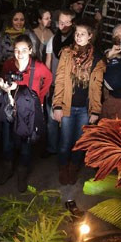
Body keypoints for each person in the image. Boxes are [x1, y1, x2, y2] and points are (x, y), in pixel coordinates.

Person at [0, 35, 52, 191]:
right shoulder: (9, 65)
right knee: (7, 142)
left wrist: (40, 99)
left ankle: (22, 174)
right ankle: (7, 169)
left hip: (29, 112)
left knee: (25, 144)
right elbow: (3, 80)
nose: (19, 53)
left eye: (23, 50)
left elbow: (48, 79)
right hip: (11, 108)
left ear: (30, 50)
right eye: (16, 50)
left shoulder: (38, 67)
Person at [52, 20, 101, 185]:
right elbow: (59, 80)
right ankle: (63, 168)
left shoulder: (97, 59)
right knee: (65, 142)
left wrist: (95, 110)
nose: (78, 36)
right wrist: (57, 105)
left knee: (80, 142)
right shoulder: (66, 53)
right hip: (67, 106)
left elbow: (97, 87)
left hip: (84, 109)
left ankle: (73, 168)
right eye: (77, 33)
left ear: (90, 36)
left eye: (82, 33)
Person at [43, 9, 76, 157]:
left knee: (68, 121)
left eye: (67, 22)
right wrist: (48, 83)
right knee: (52, 120)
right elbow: (48, 63)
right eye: (61, 22)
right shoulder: (53, 40)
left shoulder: (77, 41)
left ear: (73, 23)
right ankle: (52, 148)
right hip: (55, 85)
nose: (64, 26)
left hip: (71, 87)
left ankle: (66, 150)